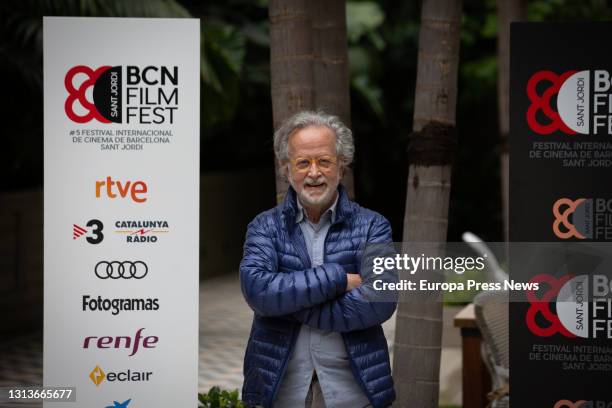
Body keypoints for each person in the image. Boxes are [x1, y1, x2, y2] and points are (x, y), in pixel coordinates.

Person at [240, 111, 396, 408]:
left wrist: (287, 302)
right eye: (303, 163)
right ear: (287, 170)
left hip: (353, 392)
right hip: (281, 391)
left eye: (324, 161)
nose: (314, 172)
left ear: (341, 166)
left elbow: (381, 300)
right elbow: (258, 291)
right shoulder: (264, 226)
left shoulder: (374, 226)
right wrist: (337, 279)